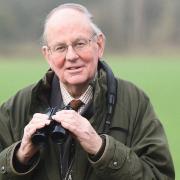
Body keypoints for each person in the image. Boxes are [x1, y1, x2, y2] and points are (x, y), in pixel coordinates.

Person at [0, 3, 175, 180]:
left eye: (80, 44)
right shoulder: (16, 108)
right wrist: (19, 157)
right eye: (60, 48)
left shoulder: (134, 102)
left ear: (99, 45)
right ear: (47, 55)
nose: (71, 56)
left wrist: (101, 149)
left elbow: (159, 176)